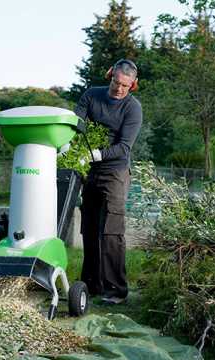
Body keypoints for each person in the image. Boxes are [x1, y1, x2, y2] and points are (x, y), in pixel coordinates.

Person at [74, 59, 143, 304]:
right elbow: (76, 125)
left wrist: (98, 154)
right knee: (89, 227)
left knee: (112, 231)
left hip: (115, 172)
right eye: (117, 82)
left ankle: (116, 290)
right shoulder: (91, 96)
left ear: (132, 85)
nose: (119, 89)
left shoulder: (132, 108)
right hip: (89, 170)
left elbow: (124, 147)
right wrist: (69, 146)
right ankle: (91, 284)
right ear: (110, 76)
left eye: (125, 86)